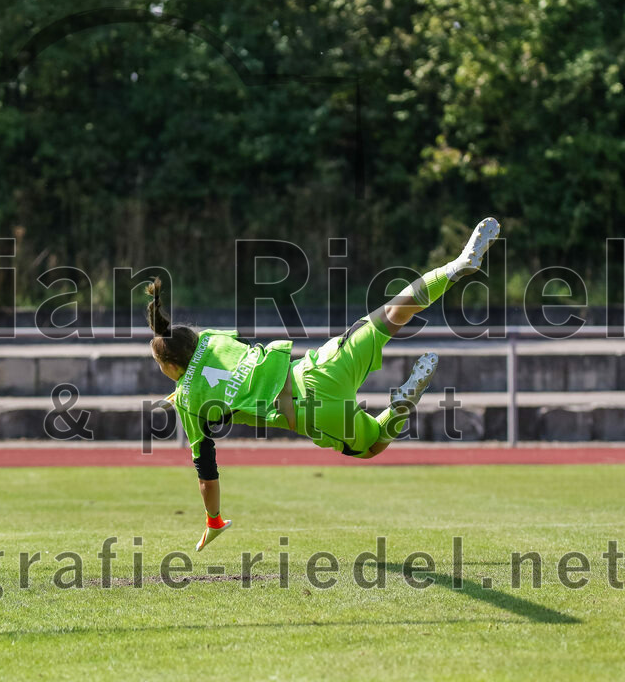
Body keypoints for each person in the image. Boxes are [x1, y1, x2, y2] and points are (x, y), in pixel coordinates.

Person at [146, 218, 501, 551]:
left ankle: (400, 406)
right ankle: (455, 267)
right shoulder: (210, 339)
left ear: (171, 367)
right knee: (393, 313)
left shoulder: (189, 401)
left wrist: (214, 520)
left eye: (160, 364)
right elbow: (213, 362)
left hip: (312, 412)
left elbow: (206, 473)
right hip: (318, 365)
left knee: (372, 446)